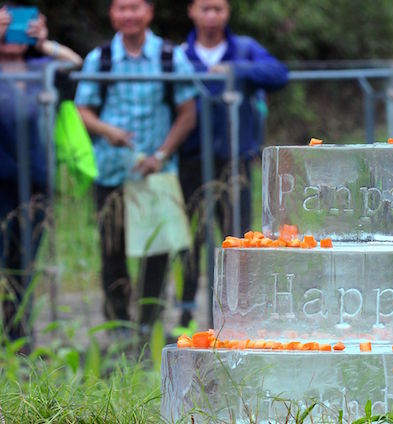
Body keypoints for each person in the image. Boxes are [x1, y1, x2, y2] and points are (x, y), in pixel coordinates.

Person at [74, 0, 197, 337]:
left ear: (149, 12)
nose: (129, 15)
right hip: (111, 170)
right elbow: (81, 109)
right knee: (112, 249)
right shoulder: (100, 58)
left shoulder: (171, 57)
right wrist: (107, 131)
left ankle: (148, 325)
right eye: (121, 8)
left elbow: (188, 113)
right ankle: (117, 324)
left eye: (135, 7)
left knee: (155, 250)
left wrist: (161, 152)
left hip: (154, 171)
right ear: (112, 13)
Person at [177, 0, 288, 327]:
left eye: (218, 9)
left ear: (226, 13)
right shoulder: (181, 53)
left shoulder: (244, 48)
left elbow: (279, 74)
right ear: (192, 11)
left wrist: (236, 71)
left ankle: (232, 312)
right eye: (205, 8)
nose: (211, 15)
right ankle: (185, 307)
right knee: (189, 235)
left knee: (234, 235)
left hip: (235, 158)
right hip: (190, 157)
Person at [0, 5, 82, 352]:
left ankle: (18, 337)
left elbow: (77, 63)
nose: (12, 33)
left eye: (17, 26)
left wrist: (45, 42)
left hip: (34, 183)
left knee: (24, 262)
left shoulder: (41, 67)